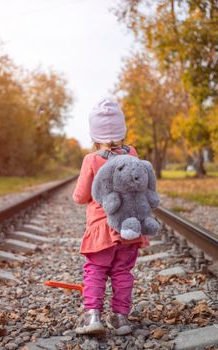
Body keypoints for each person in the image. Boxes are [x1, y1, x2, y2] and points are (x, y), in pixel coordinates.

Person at [72, 98, 149, 336]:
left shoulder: (92, 159)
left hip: (101, 230)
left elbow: (81, 195)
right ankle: (120, 318)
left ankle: (92, 315)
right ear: (122, 130)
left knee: (95, 270)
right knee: (122, 272)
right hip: (129, 227)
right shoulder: (133, 154)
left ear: (94, 133)